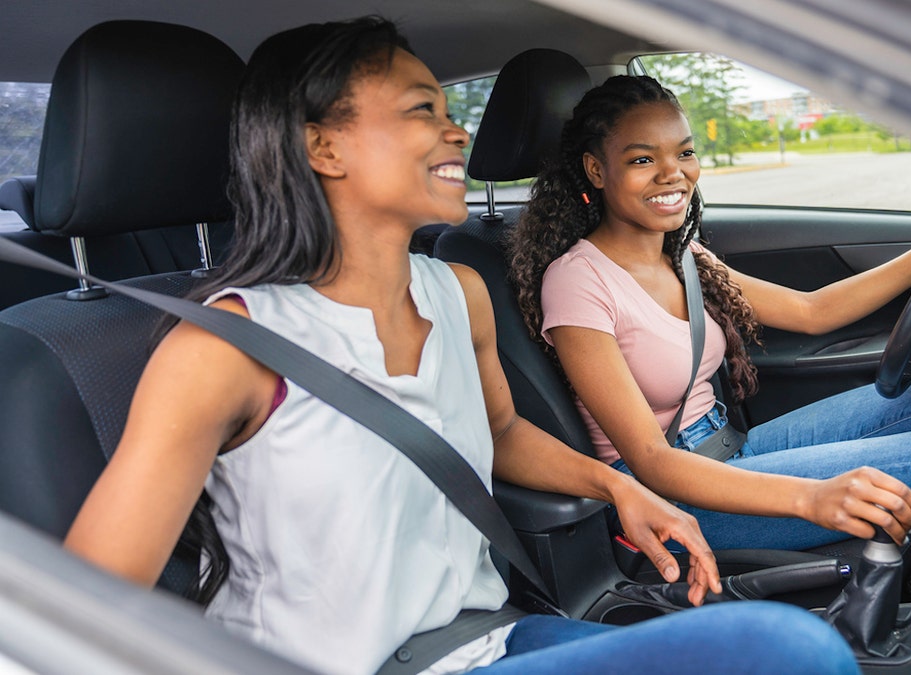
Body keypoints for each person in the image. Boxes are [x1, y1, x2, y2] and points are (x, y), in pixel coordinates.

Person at [62, 18, 862, 675]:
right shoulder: (228, 347)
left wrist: (619, 488)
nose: (458, 128)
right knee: (785, 652)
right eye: (421, 110)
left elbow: (502, 434)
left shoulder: (457, 292)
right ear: (322, 147)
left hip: (486, 637)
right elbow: (78, 619)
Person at [509, 75, 911, 559]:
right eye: (643, 159)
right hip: (672, 498)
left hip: (730, 448)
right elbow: (652, 461)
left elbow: (812, 310)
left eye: (685, 152)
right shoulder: (577, 280)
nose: (674, 173)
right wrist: (809, 497)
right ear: (597, 171)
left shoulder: (683, 252)